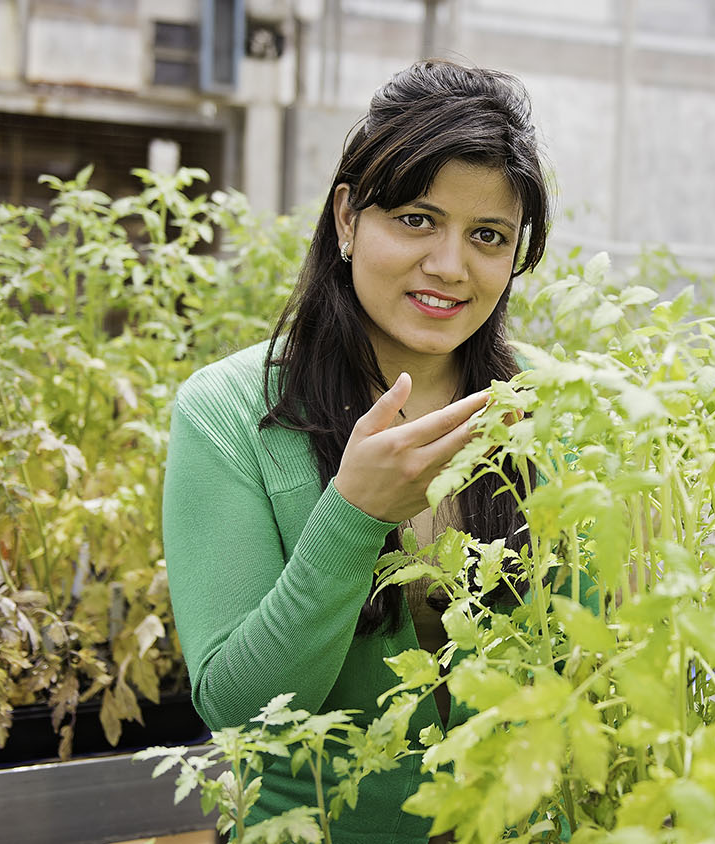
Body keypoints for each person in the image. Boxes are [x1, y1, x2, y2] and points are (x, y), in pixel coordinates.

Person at [161, 59, 551, 842]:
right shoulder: (231, 413)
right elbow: (242, 714)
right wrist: (351, 515)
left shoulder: (550, 408)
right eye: (416, 219)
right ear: (347, 218)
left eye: (487, 236)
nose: (449, 265)